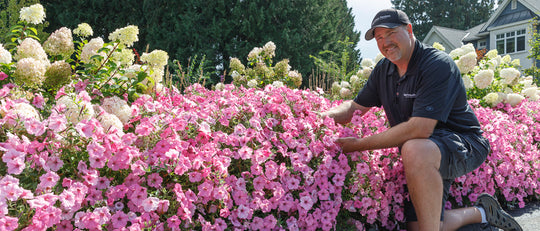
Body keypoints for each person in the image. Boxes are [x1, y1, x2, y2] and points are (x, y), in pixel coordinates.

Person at [321, 8, 522, 231]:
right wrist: (322, 117)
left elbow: (420, 129)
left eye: (390, 33)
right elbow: (354, 108)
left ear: (409, 30)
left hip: (464, 144)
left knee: (415, 147)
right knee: (418, 226)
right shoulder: (383, 70)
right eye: (379, 37)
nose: (385, 42)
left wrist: (358, 146)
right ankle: (483, 213)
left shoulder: (436, 64)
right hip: (425, 150)